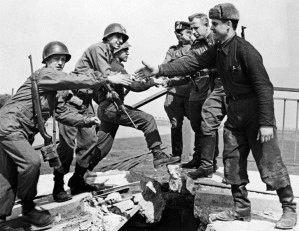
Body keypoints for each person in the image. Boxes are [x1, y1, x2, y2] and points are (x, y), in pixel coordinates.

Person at [135, 3, 297, 229]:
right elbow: (191, 62)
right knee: (232, 162)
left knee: (269, 161)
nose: (212, 28)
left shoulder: (245, 50)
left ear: (229, 25)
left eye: (215, 24)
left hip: (254, 114)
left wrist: (266, 123)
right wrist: (159, 70)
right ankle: (241, 209)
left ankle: (289, 209)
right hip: (234, 113)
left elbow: (264, 87)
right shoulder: (218, 49)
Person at [0, 41, 132, 230]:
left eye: (63, 59)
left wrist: (87, 121)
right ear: (46, 60)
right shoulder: (44, 75)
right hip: (10, 124)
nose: (60, 62)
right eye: (56, 59)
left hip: (17, 129)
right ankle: (29, 208)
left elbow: (62, 113)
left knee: (7, 173)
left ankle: (1, 221)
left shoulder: (55, 91)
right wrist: (107, 79)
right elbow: (74, 80)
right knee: (31, 162)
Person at [74, 23, 178, 173]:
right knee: (148, 120)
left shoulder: (113, 65)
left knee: (102, 148)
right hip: (111, 108)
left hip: (106, 109)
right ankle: (158, 154)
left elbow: (120, 83)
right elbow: (134, 86)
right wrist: (153, 81)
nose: (128, 53)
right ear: (117, 51)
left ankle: (78, 176)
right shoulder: (113, 65)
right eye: (125, 49)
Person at [183, 13, 226, 179]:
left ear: (207, 25)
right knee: (195, 124)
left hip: (211, 88)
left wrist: (209, 70)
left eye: (196, 28)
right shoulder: (196, 43)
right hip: (197, 89)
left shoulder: (216, 40)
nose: (193, 32)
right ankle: (198, 158)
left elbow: (223, 64)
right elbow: (189, 62)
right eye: (191, 29)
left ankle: (209, 163)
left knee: (207, 126)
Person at [163, 21, 193, 160]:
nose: (179, 36)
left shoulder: (194, 48)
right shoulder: (172, 50)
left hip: (191, 93)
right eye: (177, 33)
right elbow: (165, 67)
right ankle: (176, 154)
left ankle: (200, 157)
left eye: (182, 33)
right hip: (174, 93)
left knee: (198, 125)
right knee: (175, 124)